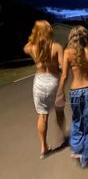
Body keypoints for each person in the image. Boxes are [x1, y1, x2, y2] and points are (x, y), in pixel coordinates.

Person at [56, 25, 88, 168]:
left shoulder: (67, 52)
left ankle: (76, 149)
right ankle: (86, 157)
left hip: (74, 92)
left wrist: (59, 93)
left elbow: (64, 76)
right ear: (86, 36)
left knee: (77, 121)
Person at [23, 20, 65, 159]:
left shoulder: (32, 47)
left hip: (39, 82)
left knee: (42, 115)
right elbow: (63, 68)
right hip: (53, 81)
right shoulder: (57, 47)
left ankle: (43, 147)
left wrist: (34, 38)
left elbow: (25, 47)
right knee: (59, 110)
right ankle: (63, 136)